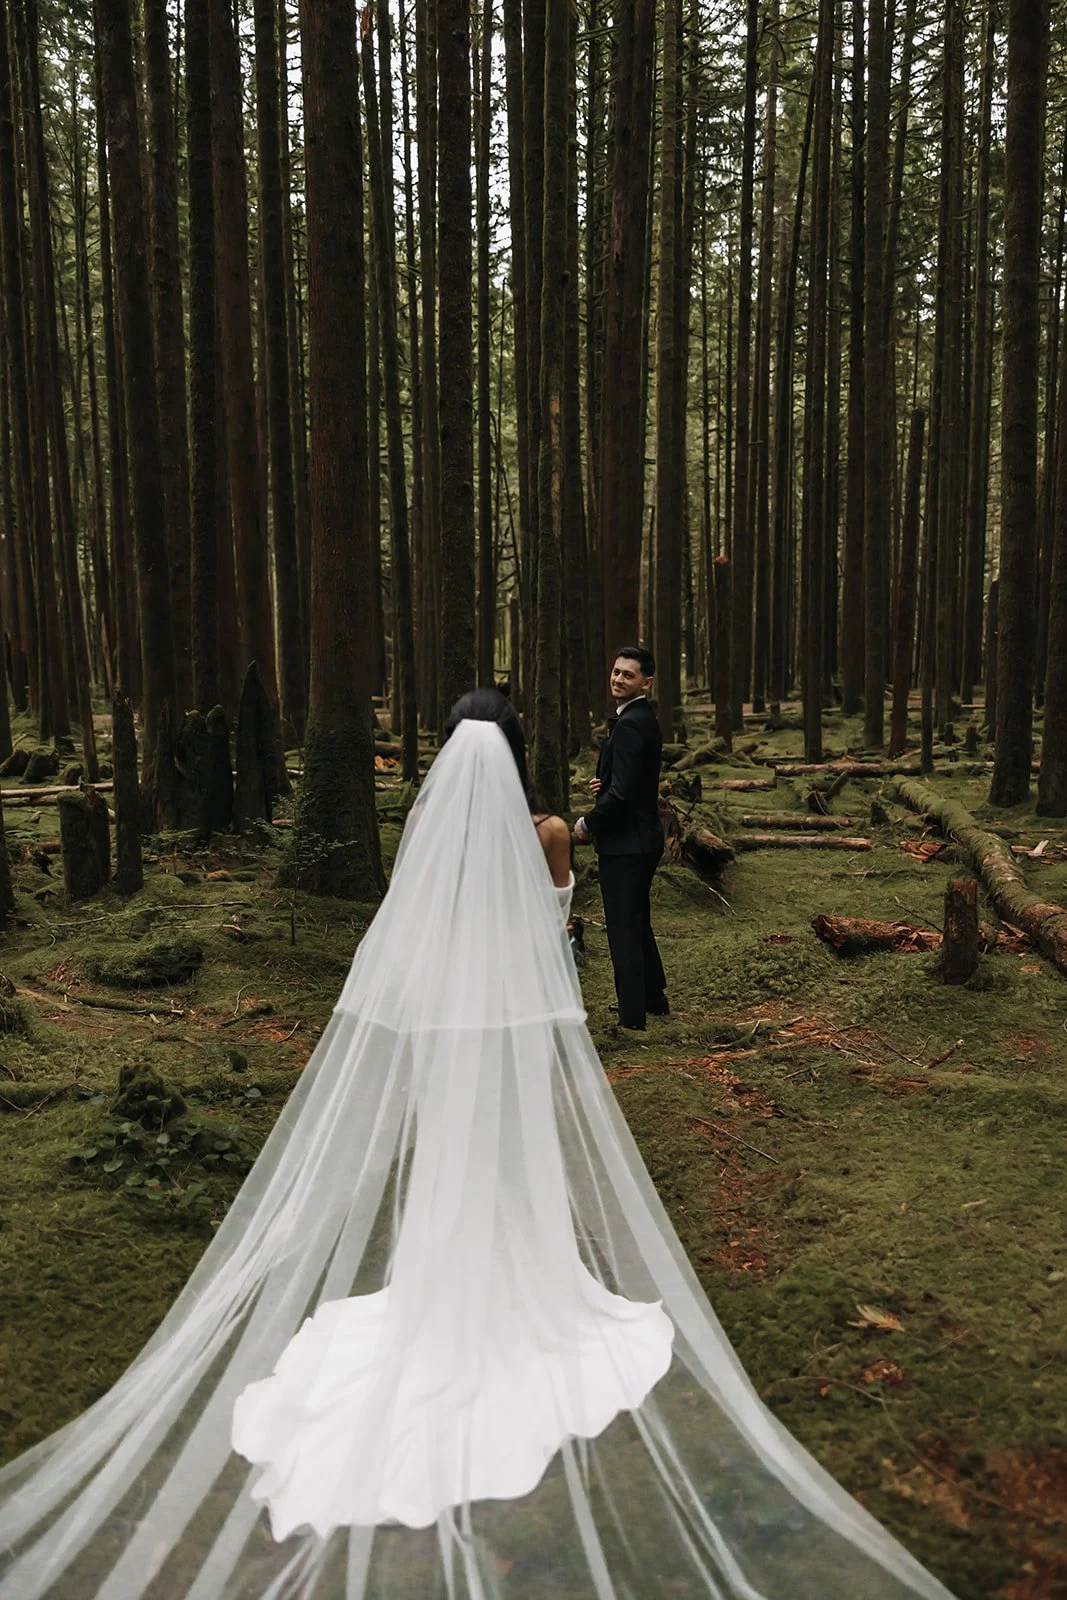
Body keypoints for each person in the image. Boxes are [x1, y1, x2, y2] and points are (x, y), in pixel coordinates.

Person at [0, 690, 956, 1600]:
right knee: (513, 1159)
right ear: (512, 748)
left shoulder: (421, 832)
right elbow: (551, 920)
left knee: (451, 1163)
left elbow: (409, 930)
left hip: (444, 1028)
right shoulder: (542, 832)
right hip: (514, 1025)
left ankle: (440, 1281)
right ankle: (517, 1281)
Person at [573, 647, 667, 1030]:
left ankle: (632, 1017)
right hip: (640, 838)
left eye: (628, 675)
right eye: (615, 672)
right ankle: (653, 998)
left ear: (646, 682)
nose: (618, 679)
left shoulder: (631, 722)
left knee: (623, 926)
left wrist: (589, 823)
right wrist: (607, 781)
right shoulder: (638, 718)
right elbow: (631, 779)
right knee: (637, 920)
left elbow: (625, 793)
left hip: (628, 843)